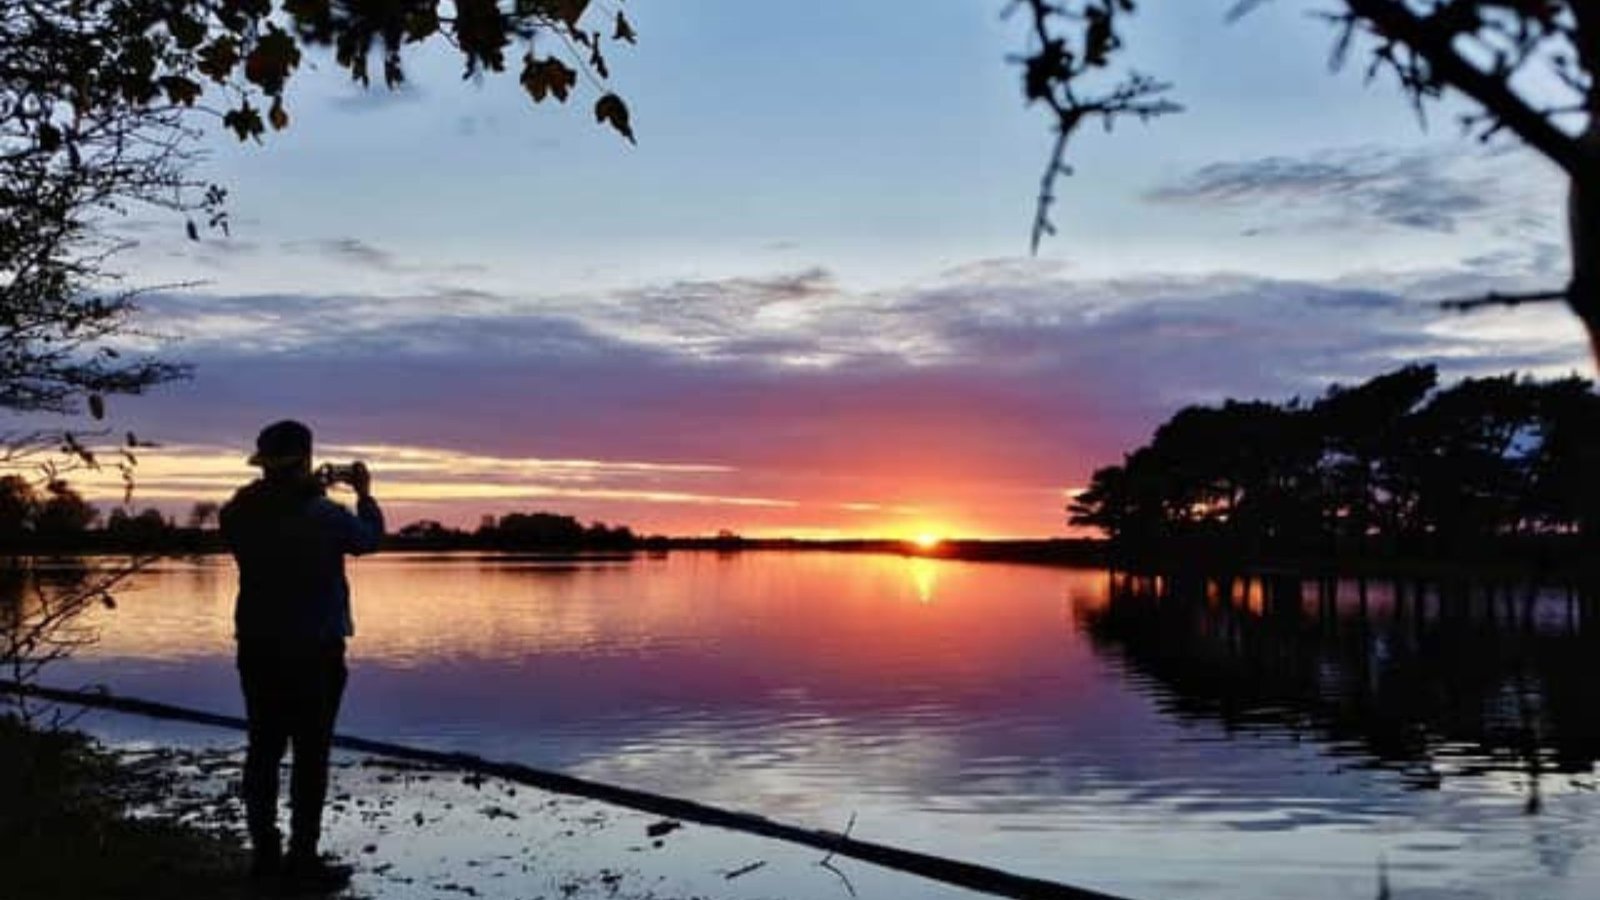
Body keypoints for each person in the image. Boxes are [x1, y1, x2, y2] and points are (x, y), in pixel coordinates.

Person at [220, 420, 384, 891]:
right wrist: (365, 493)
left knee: (264, 750)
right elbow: (369, 540)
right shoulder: (324, 514)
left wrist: (309, 487)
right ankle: (303, 859)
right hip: (314, 649)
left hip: (257, 646)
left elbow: (265, 507)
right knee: (311, 755)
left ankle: (265, 857)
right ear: (305, 460)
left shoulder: (237, 513)